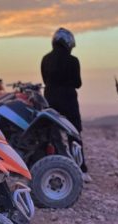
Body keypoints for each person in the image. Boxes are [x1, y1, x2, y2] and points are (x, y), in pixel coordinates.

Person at [41, 27, 91, 182]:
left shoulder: (45, 59)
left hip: (50, 98)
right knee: (74, 134)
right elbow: (78, 83)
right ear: (69, 43)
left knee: (50, 135)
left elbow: (45, 80)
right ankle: (81, 169)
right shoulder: (73, 60)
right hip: (68, 99)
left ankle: (49, 166)